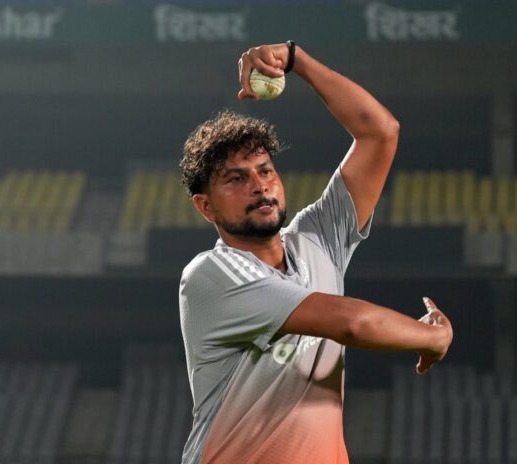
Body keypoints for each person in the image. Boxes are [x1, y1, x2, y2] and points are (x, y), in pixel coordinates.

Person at [178, 41, 453, 464]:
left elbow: (380, 132)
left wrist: (296, 59)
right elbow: (352, 323)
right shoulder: (212, 274)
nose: (259, 185)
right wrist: (434, 338)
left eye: (265, 171)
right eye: (236, 179)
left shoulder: (316, 238)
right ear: (205, 206)